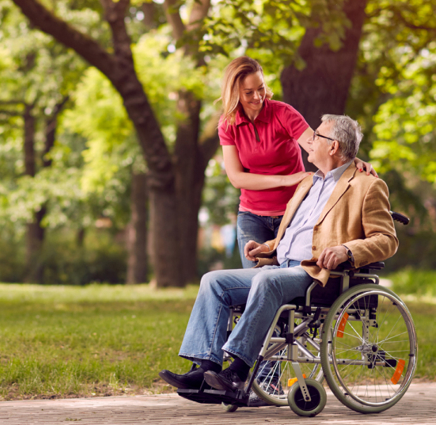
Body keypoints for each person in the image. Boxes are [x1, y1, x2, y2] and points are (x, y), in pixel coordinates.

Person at [159, 114, 398, 395]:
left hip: (317, 273)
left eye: (317, 136)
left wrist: (346, 250)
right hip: (280, 268)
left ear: (333, 147)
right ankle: (204, 369)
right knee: (214, 281)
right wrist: (268, 248)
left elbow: (386, 240)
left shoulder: (366, 185)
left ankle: (237, 371)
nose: (309, 141)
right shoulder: (308, 183)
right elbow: (295, 234)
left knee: (266, 282)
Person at [217, 57, 377, 270]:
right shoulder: (228, 125)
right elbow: (237, 178)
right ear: (235, 92)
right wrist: (287, 179)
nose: (257, 97)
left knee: (284, 284)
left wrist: (352, 158)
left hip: (292, 213)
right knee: (252, 282)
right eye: (248, 92)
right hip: (251, 216)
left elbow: (319, 146)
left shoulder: (283, 113)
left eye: (261, 88)